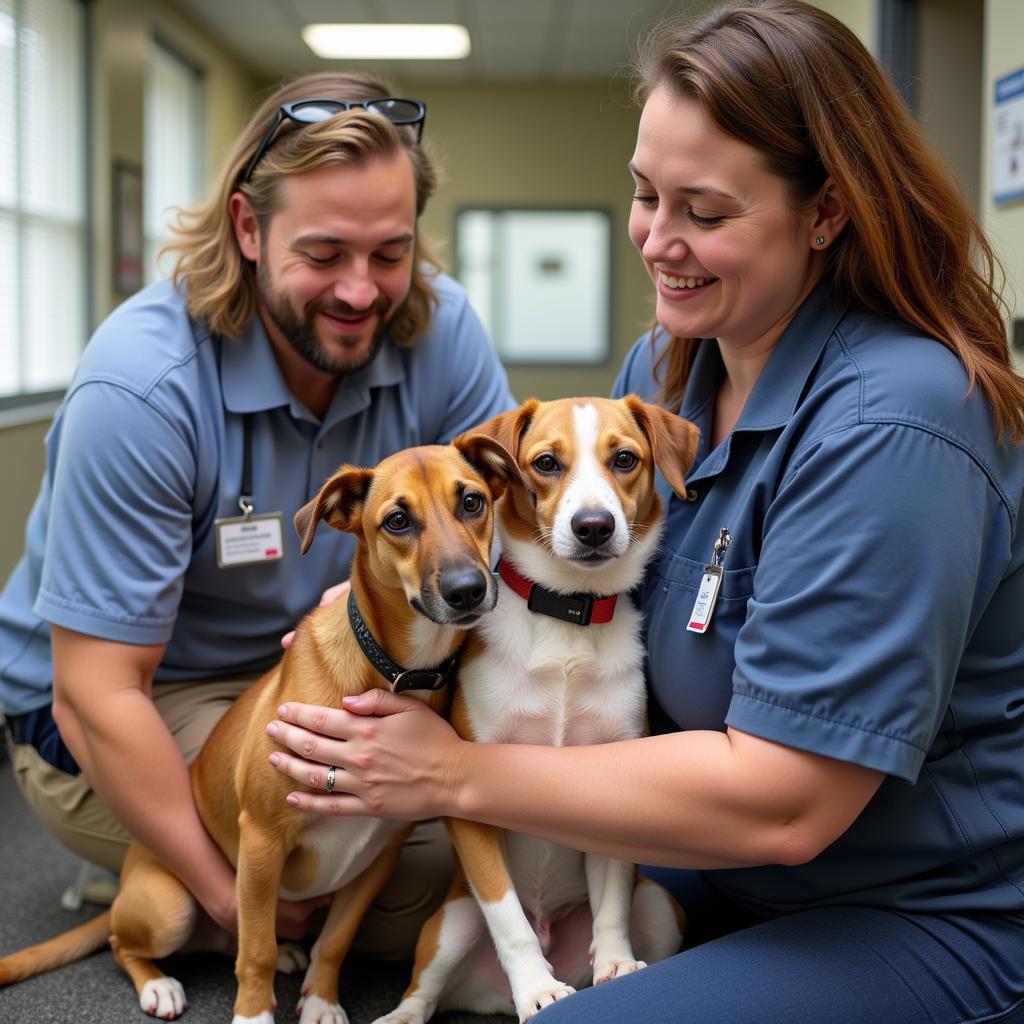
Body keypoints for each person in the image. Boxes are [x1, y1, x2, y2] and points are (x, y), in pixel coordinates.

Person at [261, 3, 1024, 1021]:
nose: (657, 242)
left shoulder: (900, 422)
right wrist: (367, 641)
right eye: (642, 193)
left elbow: (787, 799)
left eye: (703, 212)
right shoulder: (664, 370)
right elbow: (551, 595)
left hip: (910, 904)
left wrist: (454, 771)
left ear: (826, 211)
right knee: (432, 915)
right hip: (712, 860)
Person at [0, 70, 513, 954]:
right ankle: (160, 877)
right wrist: (234, 895)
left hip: (345, 667)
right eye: (323, 255)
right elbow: (94, 693)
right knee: (410, 889)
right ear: (247, 226)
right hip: (143, 690)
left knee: (487, 843)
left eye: (390, 253)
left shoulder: (445, 330)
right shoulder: (142, 386)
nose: (361, 292)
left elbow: (498, 528)